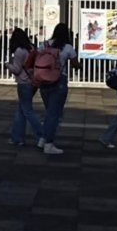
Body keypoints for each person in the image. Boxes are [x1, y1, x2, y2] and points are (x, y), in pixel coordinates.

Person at [38, 22, 81, 154]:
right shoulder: (68, 47)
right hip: (59, 81)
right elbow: (75, 65)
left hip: (43, 80)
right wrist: (79, 66)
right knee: (54, 114)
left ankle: (44, 139)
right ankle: (49, 144)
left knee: (49, 112)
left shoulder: (44, 44)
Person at [7, 28, 44, 147]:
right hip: (33, 81)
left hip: (23, 82)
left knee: (27, 111)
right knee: (21, 111)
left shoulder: (19, 51)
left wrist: (7, 65)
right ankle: (17, 137)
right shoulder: (31, 48)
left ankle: (42, 134)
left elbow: (17, 70)